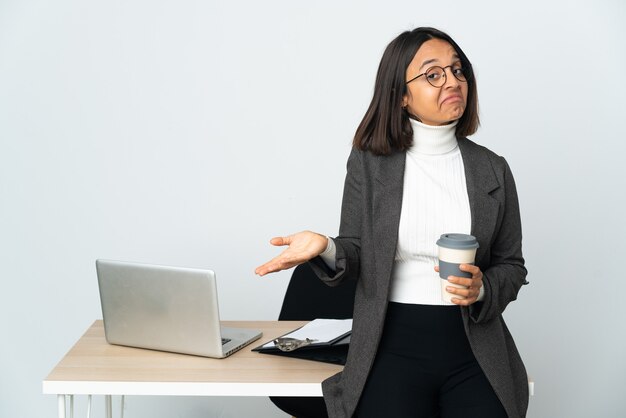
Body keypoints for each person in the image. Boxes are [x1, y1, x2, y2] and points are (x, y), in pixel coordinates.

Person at [255, 27, 529, 418]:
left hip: (473, 346)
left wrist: (483, 288)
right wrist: (326, 246)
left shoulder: (492, 169)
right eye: (433, 74)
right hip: (389, 343)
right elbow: (356, 251)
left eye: (458, 70)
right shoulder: (369, 163)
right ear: (401, 95)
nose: (453, 81)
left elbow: (512, 266)